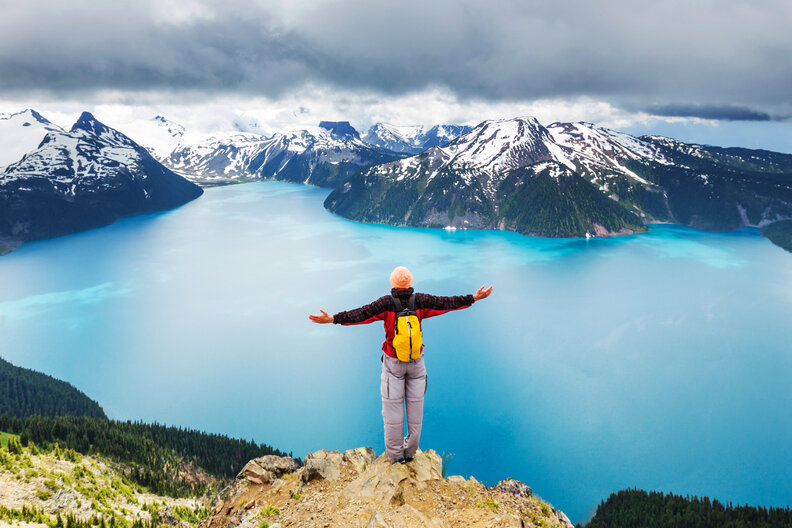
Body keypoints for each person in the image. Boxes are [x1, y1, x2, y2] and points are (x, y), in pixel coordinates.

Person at [309, 266, 493, 463]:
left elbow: (361, 314)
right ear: (411, 283)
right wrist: (473, 298)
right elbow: (446, 303)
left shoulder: (386, 303)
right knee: (415, 415)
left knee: (393, 414)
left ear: (392, 283)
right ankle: (410, 454)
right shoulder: (421, 300)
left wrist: (333, 319)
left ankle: (396, 458)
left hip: (393, 363)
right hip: (417, 363)